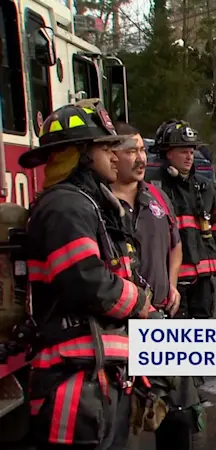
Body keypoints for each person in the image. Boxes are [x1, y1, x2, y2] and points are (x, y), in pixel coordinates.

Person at [18, 99, 152, 449]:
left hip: (97, 375)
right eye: (105, 147)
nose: (113, 155)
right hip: (74, 384)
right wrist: (137, 299)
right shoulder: (66, 205)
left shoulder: (89, 203)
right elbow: (84, 281)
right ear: (79, 153)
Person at [109, 122, 206, 450]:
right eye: (129, 151)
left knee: (178, 417)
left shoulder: (158, 198)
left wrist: (173, 285)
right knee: (124, 424)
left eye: (141, 149)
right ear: (111, 157)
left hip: (163, 323)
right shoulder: (99, 206)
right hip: (119, 331)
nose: (139, 158)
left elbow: (175, 244)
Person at [146, 119, 216, 320]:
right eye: (183, 151)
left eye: (192, 152)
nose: (189, 157)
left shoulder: (204, 186)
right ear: (167, 153)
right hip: (171, 279)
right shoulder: (153, 187)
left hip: (202, 279)